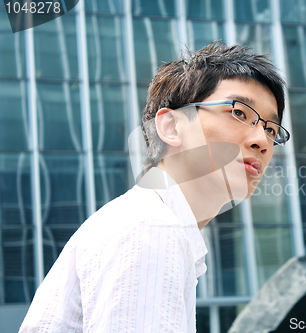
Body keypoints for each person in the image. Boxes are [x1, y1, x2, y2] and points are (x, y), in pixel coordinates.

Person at [19, 41, 289, 332]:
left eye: (271, 129)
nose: (262, 141)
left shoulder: (156, 224)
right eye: (239, 112)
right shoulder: (150, 227)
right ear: (171, 127)